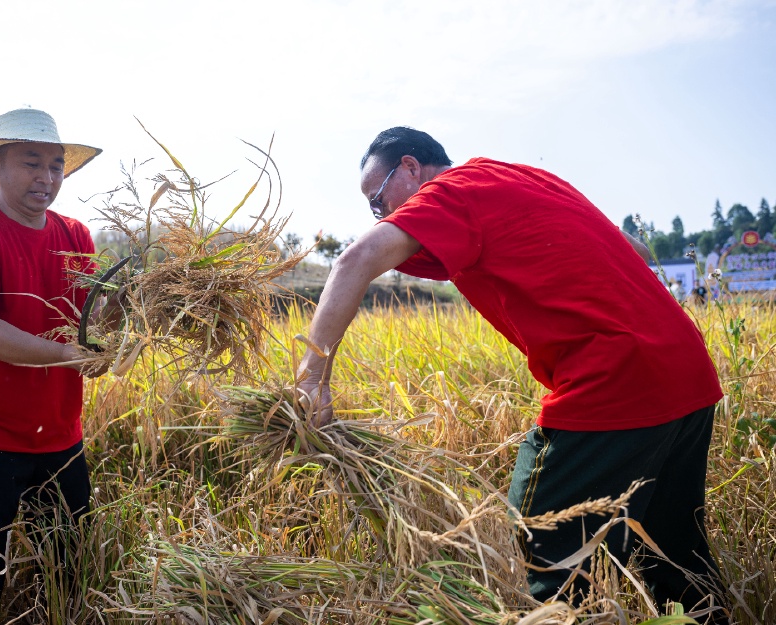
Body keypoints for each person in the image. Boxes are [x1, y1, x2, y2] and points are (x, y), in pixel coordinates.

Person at [297, 127, 727, 622]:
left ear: (412, 168)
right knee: (673, 552)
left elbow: (355, 260)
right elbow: (635, 247)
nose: (380, 216)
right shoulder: (517, 178)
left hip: (616, 377)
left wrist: (312, 380)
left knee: (541, 535)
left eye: (378, 200)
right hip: (686, 371)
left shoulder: (449, 193)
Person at [0, 108, 105, 625]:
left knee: (68, 561)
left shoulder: (76, 235)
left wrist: (141, 314)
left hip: (57, 427)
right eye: (32, 163)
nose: (47, 178)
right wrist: (75, 355)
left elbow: (89, 322)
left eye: (55, 166)